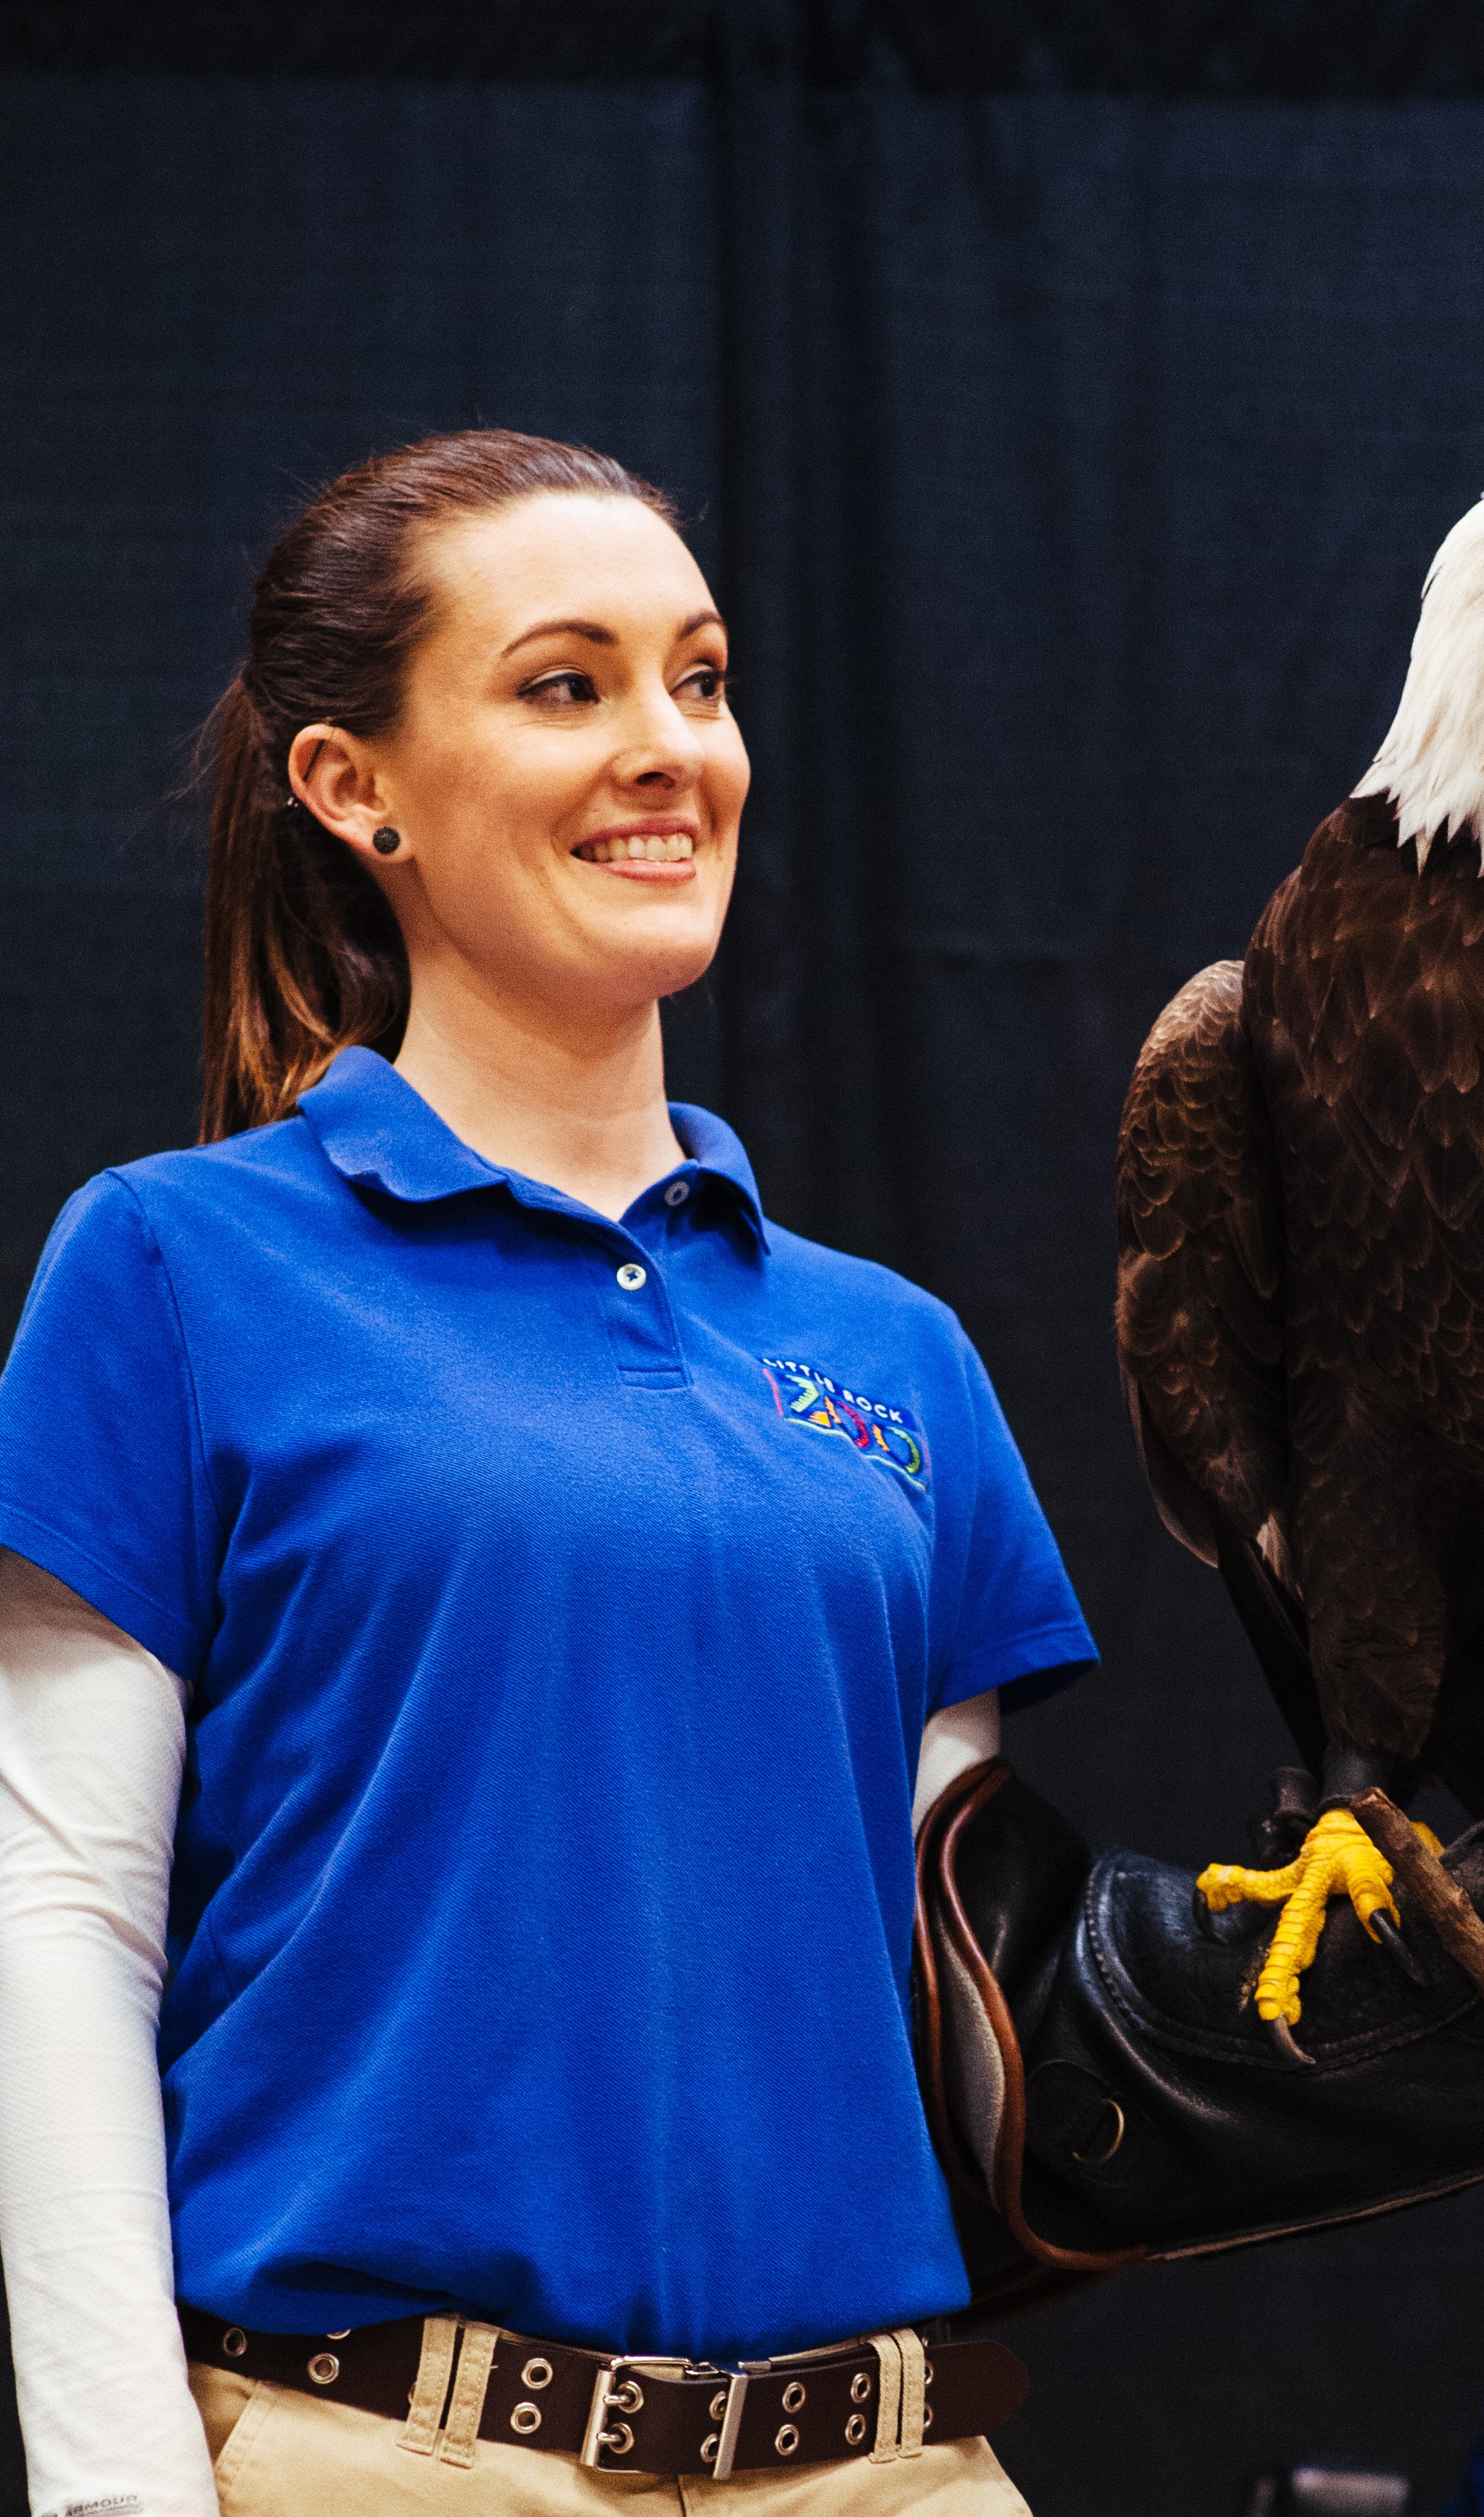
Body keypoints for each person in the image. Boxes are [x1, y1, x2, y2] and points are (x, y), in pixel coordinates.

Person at [0, 431, 1095, 2515]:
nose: (670, 748)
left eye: (700, 677)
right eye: (565, 684)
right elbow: (61, 1926)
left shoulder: (892, 1358)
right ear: (355, 787)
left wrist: (1461, 2013)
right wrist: (123, 2497)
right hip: (388, 2455)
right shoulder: (172, 1264)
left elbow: (996, 1989)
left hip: (887, 2463)